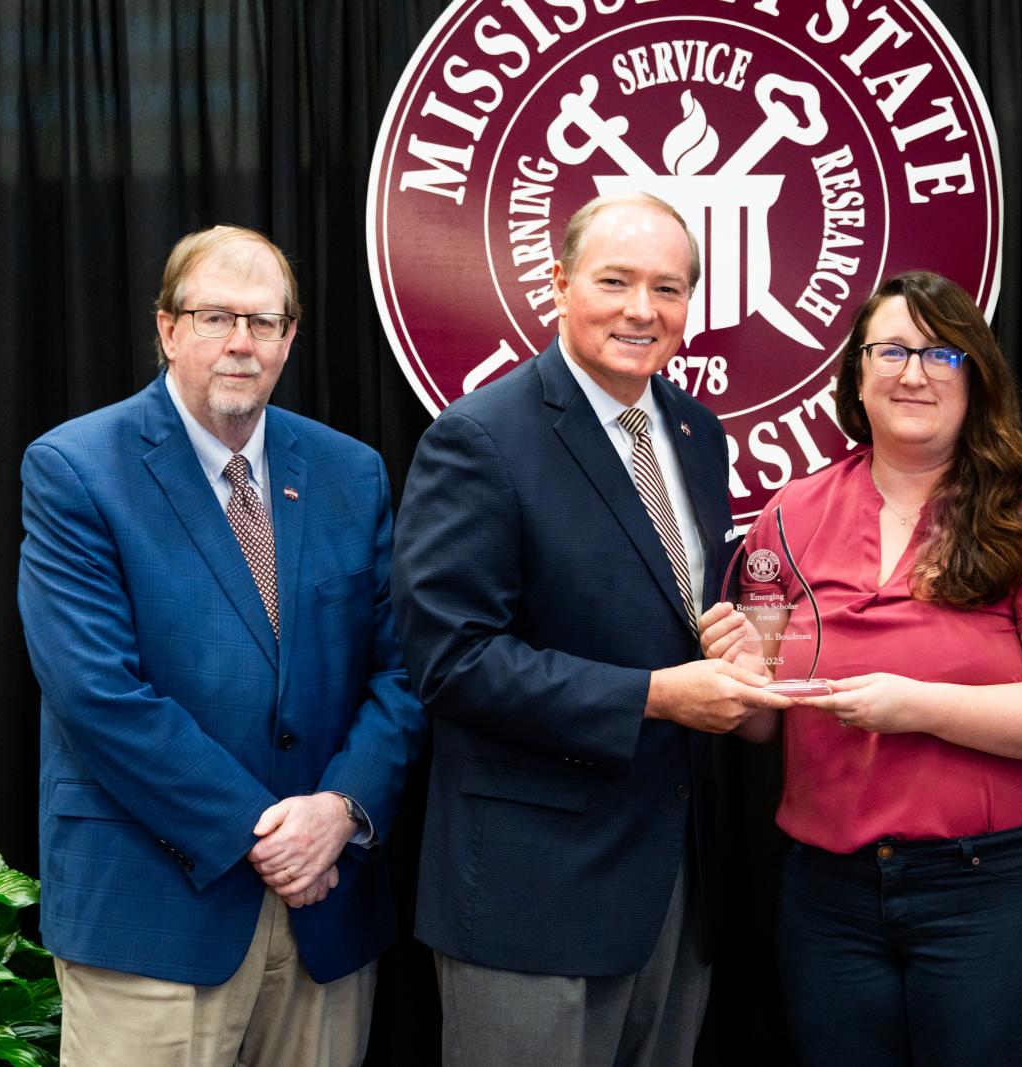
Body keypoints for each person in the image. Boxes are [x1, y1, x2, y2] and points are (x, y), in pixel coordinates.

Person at [392, 192, 790, 1067]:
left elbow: (666, 605)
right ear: (561, 284)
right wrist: (654, 695)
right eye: (615, 281)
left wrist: (723, 643)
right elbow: (450, 660)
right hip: (532, 892)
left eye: (668, 288)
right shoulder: (481, 438)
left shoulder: (694, 433)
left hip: (677, 886)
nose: (641, 310)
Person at [17, 225, 427, 1066]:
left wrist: (340, 809)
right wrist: (265, 833)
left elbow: (403, 669)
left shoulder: (352, 473)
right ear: (167, 328)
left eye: (265, 321)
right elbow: (99, 695)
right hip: (154, 912)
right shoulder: (76, 469)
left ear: (290, 337)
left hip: (326, 912)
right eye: (215, 317)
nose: (242, 342)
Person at [699, 270, 1022, 1066]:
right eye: (890, 350)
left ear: (977, 376)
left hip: (991, 891)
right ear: (858, 375)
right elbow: (760, 720)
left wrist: (918, 704)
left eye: (941, 354)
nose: (913, 372)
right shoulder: (791, 513)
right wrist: (738, 669)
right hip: (830, 897)